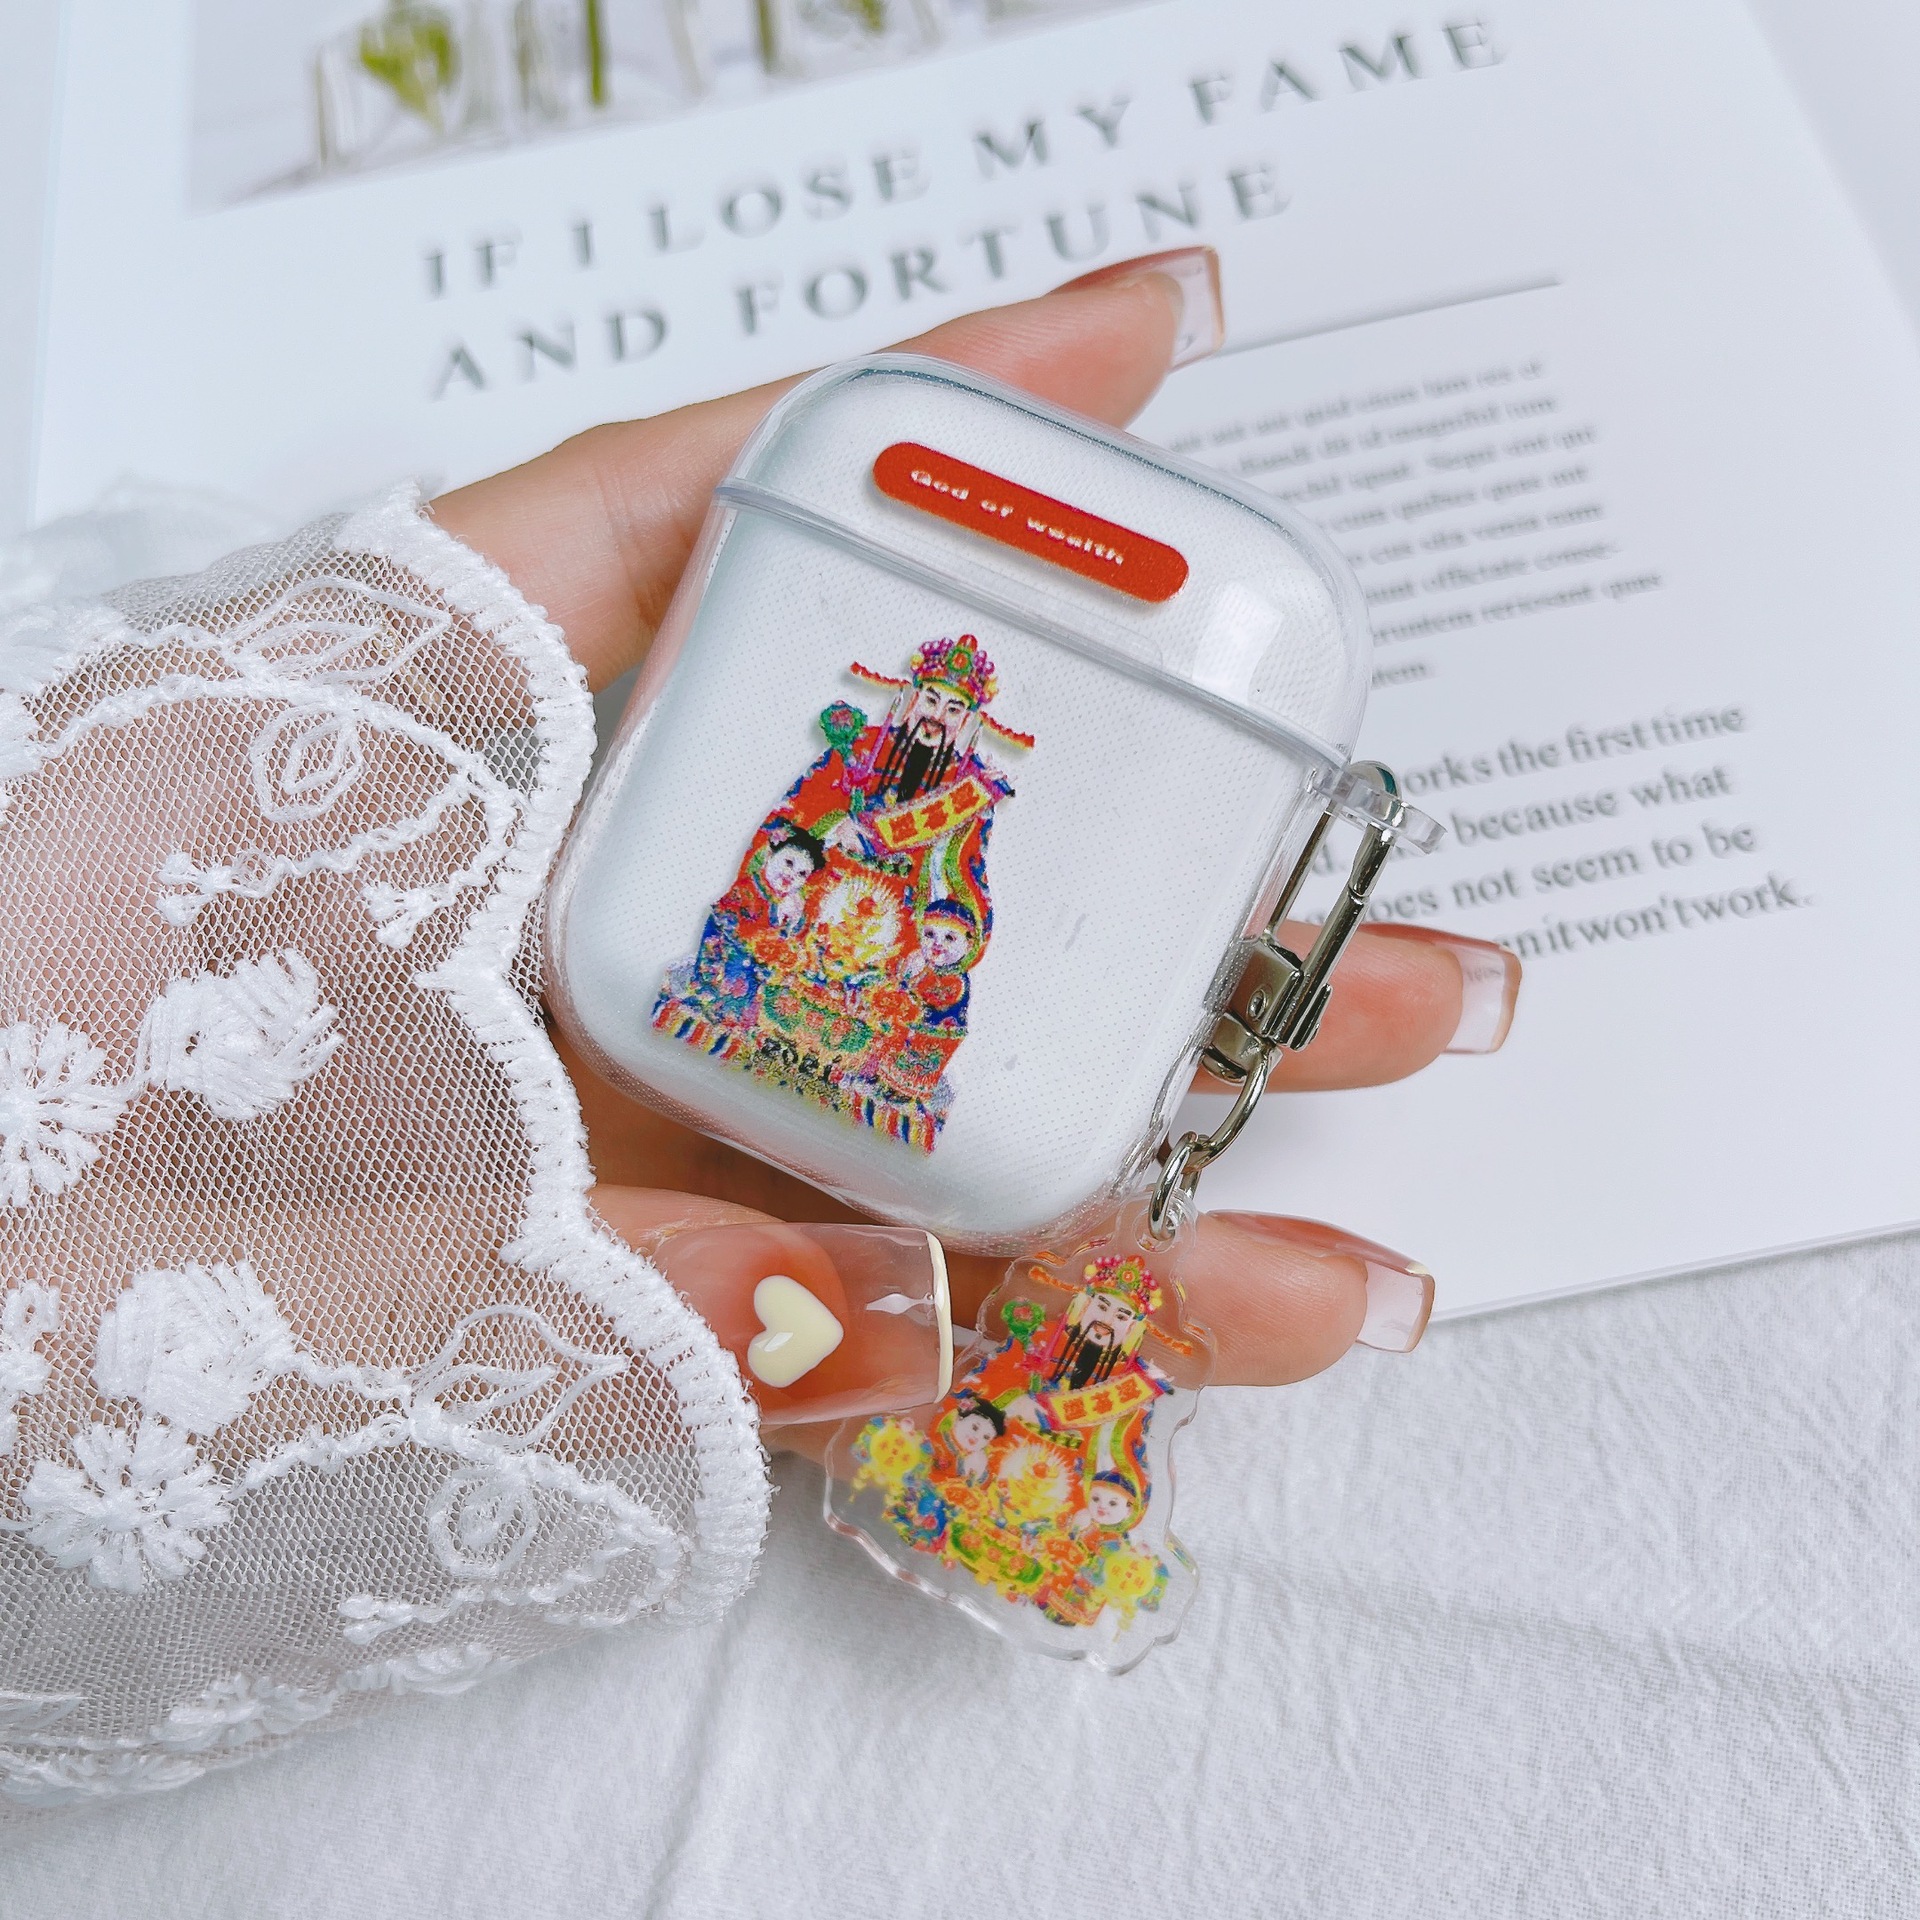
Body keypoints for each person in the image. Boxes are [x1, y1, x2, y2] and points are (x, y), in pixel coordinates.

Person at [0, 246, 1519, 1799]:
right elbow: (792, 823)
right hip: (721, 967)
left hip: (879, 978)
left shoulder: (966, 800)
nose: (934, 726)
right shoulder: (851, 758)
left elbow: (957, 902)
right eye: (925, 707)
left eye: (951, 719)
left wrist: (920, 916)